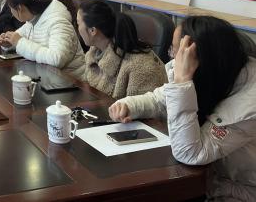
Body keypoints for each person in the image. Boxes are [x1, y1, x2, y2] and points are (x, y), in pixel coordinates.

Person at [109, 16, 256, 201]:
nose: (173, 58)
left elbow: (190, 153)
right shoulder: (217, 74)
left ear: (196, 58)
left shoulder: (249, 104)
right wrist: (129, 105)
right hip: (212, 180)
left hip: (242, 192)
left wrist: (182, 83)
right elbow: (158, 99)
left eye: (176, 51)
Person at [77, 0, 166, 98]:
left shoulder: (141, 67)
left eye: (78, 23)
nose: (77, 28)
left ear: (92, 30)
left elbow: (141, 106)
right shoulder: (94, 54)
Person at [0, 0, 85, 79]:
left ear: (20, 8)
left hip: (72, 81)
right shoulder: (33, 18)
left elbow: (57, 59)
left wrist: (19, 42)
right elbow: (18, 37)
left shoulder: (58, 21)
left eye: (11, 8)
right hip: (50, 79)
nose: (11, 12)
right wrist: (8, 42)